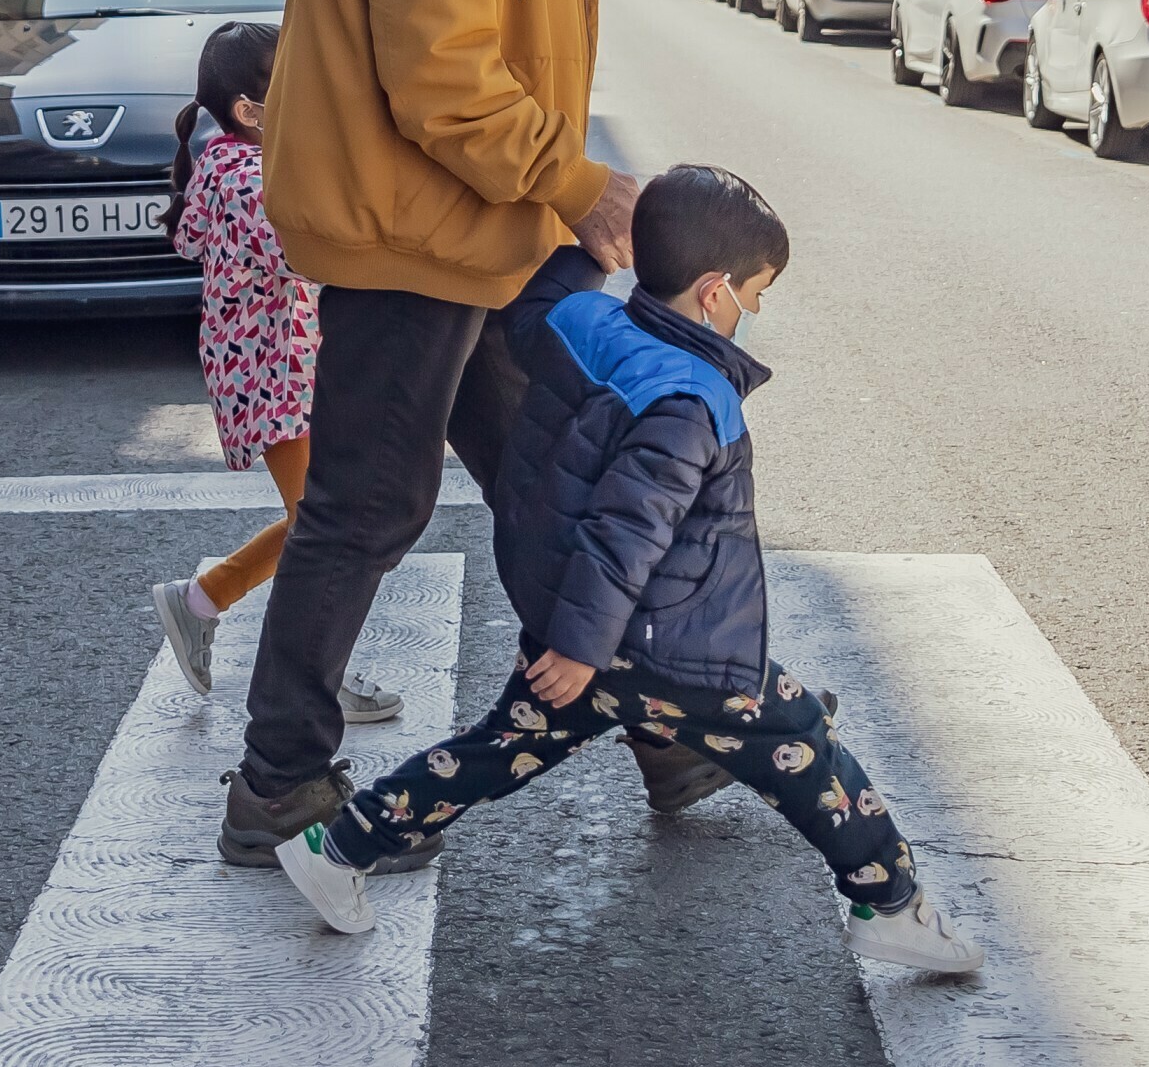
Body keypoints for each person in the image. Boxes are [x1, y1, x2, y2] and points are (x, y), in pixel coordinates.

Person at [273, 165, 982, 978]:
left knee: (497, 747)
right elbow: (627, 531)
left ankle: (341, 846)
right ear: (713, 290)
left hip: (578, 624)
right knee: (801, 742)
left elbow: (532, 306)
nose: (751, 311)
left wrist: (588, 251)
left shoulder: (581, 322)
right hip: (663, 642)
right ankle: (888, 902)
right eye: (754, 294)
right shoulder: (691, 397)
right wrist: (581, 645)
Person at [223, 0, 649, 866]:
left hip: (480, 224)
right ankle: (277, 782)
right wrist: (579, 180)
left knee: (553, 476)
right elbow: (442, 73)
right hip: (424, 225)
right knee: (366, 499)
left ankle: (663, 721)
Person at [147, 20, 399, 724]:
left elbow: (193, 237)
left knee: (316, 518)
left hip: (271, 365)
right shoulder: (249, 176)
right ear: (250, 109)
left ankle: (201, 599)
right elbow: (304, 257)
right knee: (327, 525)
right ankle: (318, 675)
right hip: (271, 370)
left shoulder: (224, 165)